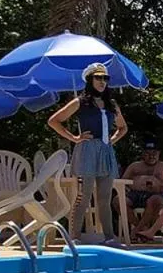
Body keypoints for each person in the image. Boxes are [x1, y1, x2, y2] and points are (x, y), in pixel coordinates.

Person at [47, 62, 127, 243]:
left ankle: (109, 238)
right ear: (90, 80)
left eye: (105, 78)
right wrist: (74, 138)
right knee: (84, 195)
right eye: (98, 77)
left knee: (105, 198)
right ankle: (74, 238)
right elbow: (54, 121)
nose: (102, 81)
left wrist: (111, 141)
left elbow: (122, 128)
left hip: (106, 152)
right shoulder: (80, 102)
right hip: (87, 150)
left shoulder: (111, 104)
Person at [120, 141, 163, 236]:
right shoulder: (135, 166)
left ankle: (137, 230)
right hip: (135, 194)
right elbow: (123, 181)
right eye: (148, 153)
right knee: (118, 201)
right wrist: (128, 188)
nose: (151, 156)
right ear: (143, 154)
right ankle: (142, 228)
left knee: (156, 200)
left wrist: (159, 188)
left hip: (155, 194)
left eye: (154, 153)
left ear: (159, 153)